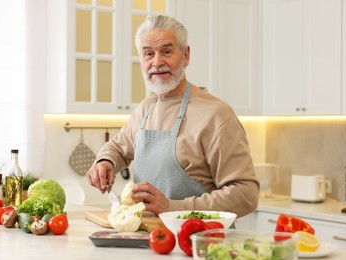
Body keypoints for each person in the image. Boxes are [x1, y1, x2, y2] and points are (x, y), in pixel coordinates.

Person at [86, 15, 259, 218]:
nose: (157, 62)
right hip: (149, 240)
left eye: (167, 51)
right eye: (148, 54)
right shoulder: (146, 109)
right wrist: (105, 162)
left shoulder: (216, 115)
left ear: (186, 55)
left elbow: (245, 194)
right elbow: (117, 148)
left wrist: (172, 207)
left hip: (199, 242)